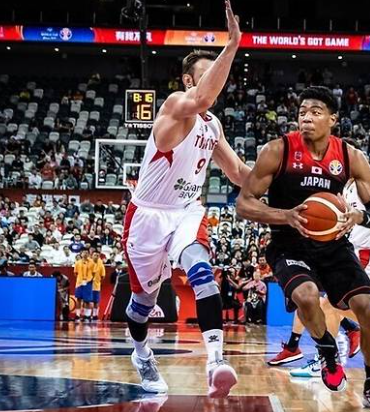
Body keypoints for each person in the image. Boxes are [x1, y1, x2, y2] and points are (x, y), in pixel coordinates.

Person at [236, 86, 370, 409]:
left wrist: (359, 216)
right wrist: (284, 215)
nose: (306, 118)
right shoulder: (278, 151)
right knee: (307, 296)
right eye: (302, 113)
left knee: (366, 307)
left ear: (333, 119)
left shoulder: (351, 157)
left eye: (316, 112)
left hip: (333, 245)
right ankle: (327, 350)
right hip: (289, 243)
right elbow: (244, 203)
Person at [121, 1, 248, 396]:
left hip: (187, 212)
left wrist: (284, 184)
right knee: (142, 303)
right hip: (147, 215)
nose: (215, 80)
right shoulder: (176, 104)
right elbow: (202, 99)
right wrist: (233, 44)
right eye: (207, 74)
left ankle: (216, 362)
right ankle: (142, 354)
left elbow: (238, 173)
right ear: (188, 80)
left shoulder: (213, 125)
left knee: (201, 269)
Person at [273, 175, 370, 379]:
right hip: (353, 250)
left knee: (330, 305)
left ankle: (328, 361)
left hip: (368, 253)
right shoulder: (345, 188)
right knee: (332, 306)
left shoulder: (367, 184)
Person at [73, 251, 94, 321]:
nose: (85, 254)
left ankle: (87, 315)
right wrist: (80, 279)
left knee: (87, 300)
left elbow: (94, 273)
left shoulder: (92, 262)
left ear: (88, 254)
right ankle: (77, 315)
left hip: (88, 282)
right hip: (79, 283)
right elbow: (75, 273)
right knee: (78, 299)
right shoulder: (77, 262)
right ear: (81, 254)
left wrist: (89, 279)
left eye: (86, 253)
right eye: (83, 253)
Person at [90, 251, 106, 322]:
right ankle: (88, 315)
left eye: (97, 255)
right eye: (94, 255)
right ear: (92, 256)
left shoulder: (101, 265)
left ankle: (95, 315)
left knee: (96, 302)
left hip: (96, 286)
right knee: (88, 302)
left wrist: (97, 280)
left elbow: (103, 276)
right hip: (88, 286)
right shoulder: (89, 263)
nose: (96, 256)